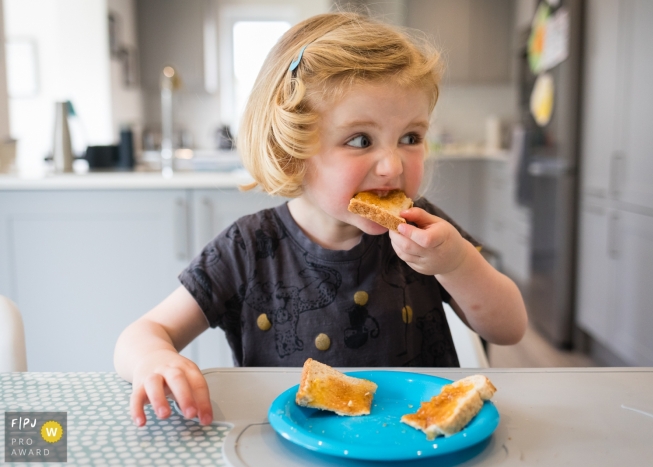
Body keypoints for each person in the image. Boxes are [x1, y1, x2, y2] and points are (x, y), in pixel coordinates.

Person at [114, 11, 527, 427]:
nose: (392, 165)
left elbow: (509, 328)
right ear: (292, 152)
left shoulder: (424, 231)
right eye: (360, 140)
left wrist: (457, 265)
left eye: (411, 137)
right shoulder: (248, 248)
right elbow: (143, 333)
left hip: (416, 445)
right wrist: (154, 359)